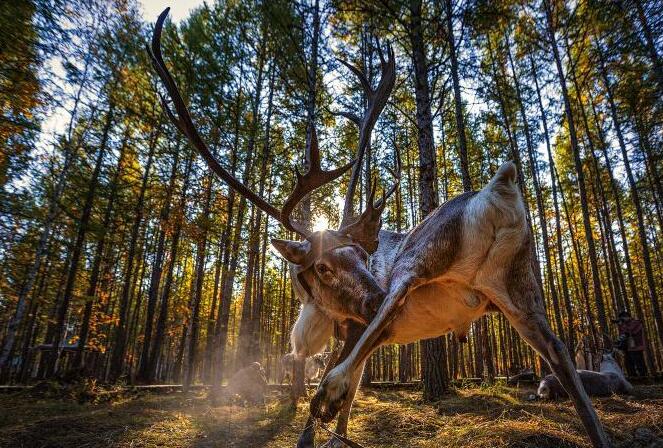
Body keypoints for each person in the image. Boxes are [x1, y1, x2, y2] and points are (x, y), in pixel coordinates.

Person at [615, 310, 647, 377]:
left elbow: (630, 331)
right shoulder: (624, 325)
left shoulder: (636, 323)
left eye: (622, 318)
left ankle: (644, 376)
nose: (622, 320)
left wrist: (622, 325)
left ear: (627, 317)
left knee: (638, 361)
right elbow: (623, 334)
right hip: (628, 346)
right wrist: (618, 341)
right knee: (628, 362)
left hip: (636, 346)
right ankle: (632, 376)